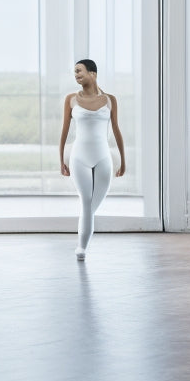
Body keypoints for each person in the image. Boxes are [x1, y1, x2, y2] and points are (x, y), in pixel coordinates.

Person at [59, 59, 125, 260]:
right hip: (79, 157)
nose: (76, 74)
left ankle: (82, 241)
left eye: (79, 71)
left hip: (103, 157)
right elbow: (64, 131)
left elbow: (116, 130)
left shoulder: (110, 100)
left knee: (92, 205)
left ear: (93, 73)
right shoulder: (71, 99)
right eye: (74, 72)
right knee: (86, 203)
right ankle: (82, 247)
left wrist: (123, 160)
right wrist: (61, 159)